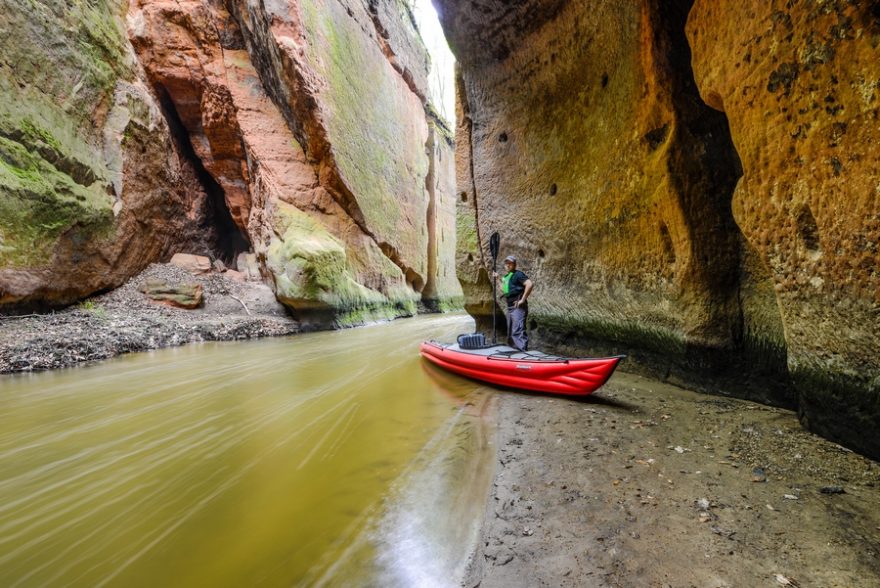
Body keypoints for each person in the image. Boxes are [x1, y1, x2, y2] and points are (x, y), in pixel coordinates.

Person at [494, 255, 533, 351]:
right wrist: (498, 278)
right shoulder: (506, 277)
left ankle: (523, 353)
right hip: (510, 307)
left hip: (518, 306)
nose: (508, 265)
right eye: (506, 263)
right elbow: (504, 290)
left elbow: (529, 284)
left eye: (510, 263)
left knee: (517, 331)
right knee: (511, 332)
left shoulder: (518, 274)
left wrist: (522, 300)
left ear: (514, 265)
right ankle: (514, 352)